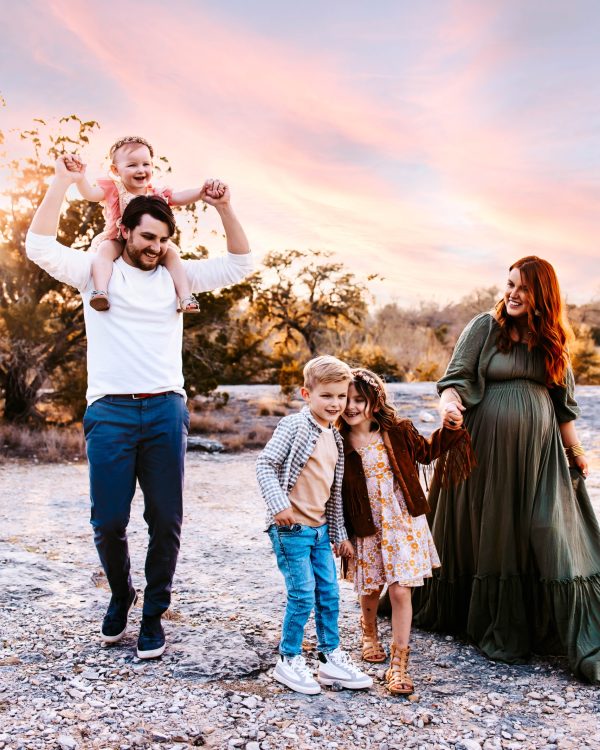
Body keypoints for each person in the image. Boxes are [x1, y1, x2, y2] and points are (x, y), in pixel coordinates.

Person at [25, 155, 252, 660]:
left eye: (163, 240)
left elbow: (241, 263)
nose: (155, 247)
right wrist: (62, 182)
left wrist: (225, 207)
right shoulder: (93, 274)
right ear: (125, 232)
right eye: (147, 237)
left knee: (166, 520)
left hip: (166, 409)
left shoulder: (177, 277)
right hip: (110, 411)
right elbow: (38, 246)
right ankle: (120, 592)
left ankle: (153, 612)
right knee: (107, 521)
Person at [413, 256, 600, 684]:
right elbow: (454, 379)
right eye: (509, 284)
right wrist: (449, 407)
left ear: (543, 296)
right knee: (489, 528)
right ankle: (481, 618)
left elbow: (563, 408)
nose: (512, 294)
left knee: (546, 528)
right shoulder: (485, 327)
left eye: (522, 288)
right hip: (481, 450)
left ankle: (552, 623)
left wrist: (577, 452)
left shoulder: (553, 341)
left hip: (537, 452)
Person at [339, 368, 473, 695]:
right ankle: (369, 631)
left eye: (360, 400)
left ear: (376, 401)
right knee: (370, 587)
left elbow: (426, 452)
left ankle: (399, 663)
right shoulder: (337, 440)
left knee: (401, 590)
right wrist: (338, 532)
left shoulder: (397, 430)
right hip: (365, 525)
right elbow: (332, 491)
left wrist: (450, 428)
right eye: (347, 399)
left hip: (402, 521)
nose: (352, 407)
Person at [256, 355, 373, 695]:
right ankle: (288, 659)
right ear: (307, 395)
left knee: (329, 594)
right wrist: (279, 505)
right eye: (327, 396)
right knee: (303, 594)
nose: (336, 403)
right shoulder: (293, 427)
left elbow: (332, 494)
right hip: (291, 531)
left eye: (341, 396)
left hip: (321, 532)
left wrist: (339, 535)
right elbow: (265, 465)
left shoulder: (335, 438)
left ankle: (329, 657)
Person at [65, 135, 217, 312]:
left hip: (148, 242)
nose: (141, 170)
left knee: (173, 257)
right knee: (104, 251)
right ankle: (100, 292)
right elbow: (90, 194)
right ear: (115, 170)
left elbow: (179, 197)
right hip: (118, 238)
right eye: (132, 165)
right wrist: (79, 178)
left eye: (146, 164)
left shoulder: (157, 193)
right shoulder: (114, 190)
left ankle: (185, 297)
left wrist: (201, 192)